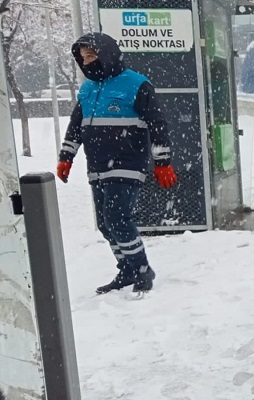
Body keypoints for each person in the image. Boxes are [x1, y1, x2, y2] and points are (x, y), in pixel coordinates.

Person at [56, 32, 177, 295]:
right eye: (84, 58)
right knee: (104, 222)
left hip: (127, 162)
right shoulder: (87, 89)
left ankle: (142, 268)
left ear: (107, 54)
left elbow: (157, 124)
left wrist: (162, 161)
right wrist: (66, 157)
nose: (88, 62)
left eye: (92, 56)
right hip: (97, 165)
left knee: (118, 217)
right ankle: (127, 268)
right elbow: (76, 125)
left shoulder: (137, 84)